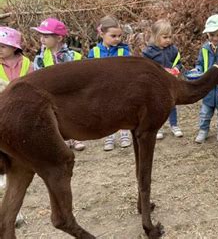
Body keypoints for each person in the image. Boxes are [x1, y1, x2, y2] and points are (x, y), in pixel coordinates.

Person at [31, 18, 85, 151]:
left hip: (70, 93)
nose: (42, 39)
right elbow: (38, 76)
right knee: (56, 117)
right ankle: (63, 140)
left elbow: (80, 75)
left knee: (73, 114)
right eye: (41, 36)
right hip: (50, 93)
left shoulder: (73, 55)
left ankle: (76, 137)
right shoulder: (40, 58)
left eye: (46, 36)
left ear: (59, 38)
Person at [0, 26, 33, 227]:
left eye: (3, 46)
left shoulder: (26, 63)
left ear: (14, 47)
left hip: (20, 111)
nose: (0, 49)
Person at [88, 15, 131, 151]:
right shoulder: (94, 51)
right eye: (113, 36)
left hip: (120, 87)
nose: (117, 39)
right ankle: (109, 137)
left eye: (119, 36)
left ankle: (125, 135)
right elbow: (90, 71)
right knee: (106, 113)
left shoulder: (123, 50)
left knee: (123, 111)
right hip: (102, 89)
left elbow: (129, 69)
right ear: (102, 34)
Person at [142, 19, 184, 140]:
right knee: (156, 106)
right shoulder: (148, 52)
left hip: (170, 82)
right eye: (165, 37)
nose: (168, 40)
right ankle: (157, 127)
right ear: (155, 36)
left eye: (170, 37)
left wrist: (176, 68)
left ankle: (174, 125)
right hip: (155, 84)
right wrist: (161, 71)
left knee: (172, 104)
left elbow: (178, 62)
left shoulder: (173, 49)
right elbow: (146, 68)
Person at [193, 14, 218, 144]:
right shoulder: (204, 48)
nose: (215, 38)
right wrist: (197, 70)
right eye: (211, 35)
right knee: (205, 112)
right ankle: (203, 130)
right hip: (208, 87)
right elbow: (199, 63)